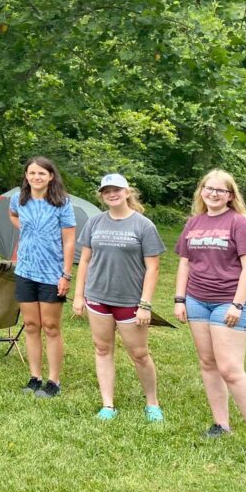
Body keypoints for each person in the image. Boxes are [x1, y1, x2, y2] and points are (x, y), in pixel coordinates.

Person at [173, 169, 246, 465]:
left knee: (231, 369)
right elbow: (184, 264)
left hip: (229, 303)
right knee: (208, 363)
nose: (214, 194)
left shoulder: (240, 223)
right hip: (196, 300)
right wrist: (180, 298)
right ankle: (222, 424)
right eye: (209, 188)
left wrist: (237, 305)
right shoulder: (193, 223)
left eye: (221, 190)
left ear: (231, 195)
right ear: (201, 190)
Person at [73, 174, 165, 421]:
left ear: (127, 192)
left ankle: (152, 403)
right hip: (97, 296)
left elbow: (153, 268)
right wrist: (79, 296)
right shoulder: (94, 223)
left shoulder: (143, 225)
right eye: (106, 191)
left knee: (139, 354)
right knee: (102, 349)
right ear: (102, 196)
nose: (111, 194)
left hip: (129, 300)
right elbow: (84, 260)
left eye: (116, 190)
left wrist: (145, 304)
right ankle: (108, 405)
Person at [9, 156, 76, 398]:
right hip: (25, 271)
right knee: (31, 325)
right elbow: (13, 216)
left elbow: (69, 240)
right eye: (32, 173)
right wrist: (29, 230)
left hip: (52, 273)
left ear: (51, 177)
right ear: (26, 176)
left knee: (50, 327)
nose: (36, 177)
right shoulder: (19, 200)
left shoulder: (62, 203)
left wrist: (65, 275)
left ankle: (53, 381)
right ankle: (35, 376)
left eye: (42, 173)